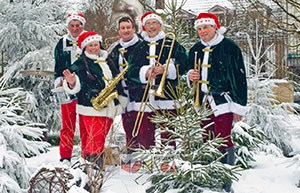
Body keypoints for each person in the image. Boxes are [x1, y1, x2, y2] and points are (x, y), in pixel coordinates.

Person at [187, 12, 248, 192]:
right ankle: (210, 177)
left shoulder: (229, 47)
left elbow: (240, 78)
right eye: (199, 28)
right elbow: (190, 73)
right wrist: (190, 76)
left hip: (224, 101)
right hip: (203, 101)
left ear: (215, 27)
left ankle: (225, 181)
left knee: (223, 139)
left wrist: (239, 106)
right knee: (207, 139)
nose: (202, 31)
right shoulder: (195, 49)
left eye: (205, 27)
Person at [62, 31, 127, 168]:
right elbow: (74, 86)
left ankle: (87, 167)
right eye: (90, 45)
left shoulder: (107, 60)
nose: (93, 48)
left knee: (95, 139)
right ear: (85, 47)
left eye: (95, 44)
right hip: (91, 106)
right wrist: (72, 83)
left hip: (109, 106)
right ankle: (94, 170)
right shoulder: (79, 64)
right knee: (95, 140)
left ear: (100, 45)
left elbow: (117, 81)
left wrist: (120, 98)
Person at [127, 11, 188, 151]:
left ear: (160, 25)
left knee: (168, 131)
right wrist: (146, 73)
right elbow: (131, 71)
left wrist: (166, 70)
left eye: (154, 23)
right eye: (148, 23)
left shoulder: (171, 43)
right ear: (144, 27)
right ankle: (149, 160)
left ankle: (168, 160)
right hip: (143, 95)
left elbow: (184, 64)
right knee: (145, 131)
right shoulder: (138, 47)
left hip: (167, 93)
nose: (151, 26)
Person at [53, 13, 86, 165]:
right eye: (72, 25)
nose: (75, 28)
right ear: (68, 26)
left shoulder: (90, 40)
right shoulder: (62, 43)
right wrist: (60, 81)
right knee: (67, 125)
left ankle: (88, 155)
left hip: (86, 89)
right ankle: (65, 156)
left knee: (86, 124)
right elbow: (58, 65)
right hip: (67, 86)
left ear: (83, 26)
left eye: (78, 25)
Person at [108, 16, 141, 152]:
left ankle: (144, 151)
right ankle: (131, 149)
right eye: (123, 28)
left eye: (128, 27)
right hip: (123, 92)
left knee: (142, 124)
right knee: (127, 123)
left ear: (133, 29)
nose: (126, 31)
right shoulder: (115, 49)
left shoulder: (142, 45)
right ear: (119, 31)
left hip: (139, 92)